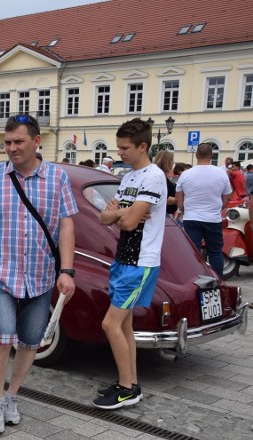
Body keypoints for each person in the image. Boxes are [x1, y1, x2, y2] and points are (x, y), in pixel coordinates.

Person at [0, 113, 77, 434]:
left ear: (36, 141)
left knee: (30, 341)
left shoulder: (57, 178)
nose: (11, 148)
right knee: (1, 336)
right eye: (7, 143)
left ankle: (14, 395)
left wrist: (66, 270)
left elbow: (67, 225)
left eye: (18, 142)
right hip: (1, 273)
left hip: (40, 276)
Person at [94, 118, 167, 409]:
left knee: (110, 324)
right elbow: (104, 217)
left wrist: (121, 213)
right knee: (124, 327)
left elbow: (128, 222)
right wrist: (122, 213)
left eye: (124, 148)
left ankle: (127, 387)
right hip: (123, 258)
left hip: (141, 261)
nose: (119, 153)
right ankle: (130, 383)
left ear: (142, 146)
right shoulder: (127, 178)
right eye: (119, 147)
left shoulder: (154, 176)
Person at [175, 143, 231, 278]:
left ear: (196, 155)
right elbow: (227, 197)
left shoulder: (186, 174)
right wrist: (219, 208)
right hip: (213, 218)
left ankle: (193, 278)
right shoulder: (221, 174)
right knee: (215, 252)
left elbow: (179, 197)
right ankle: (217, 280)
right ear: (212, 156)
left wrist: (183, 209)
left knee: (193, 252)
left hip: (192, 217)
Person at [153, 150, 177, 216]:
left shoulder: (159, 176)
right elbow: (163, 198)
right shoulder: (161, 177)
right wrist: (179, 200)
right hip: (164, 214)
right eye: (172, 161)